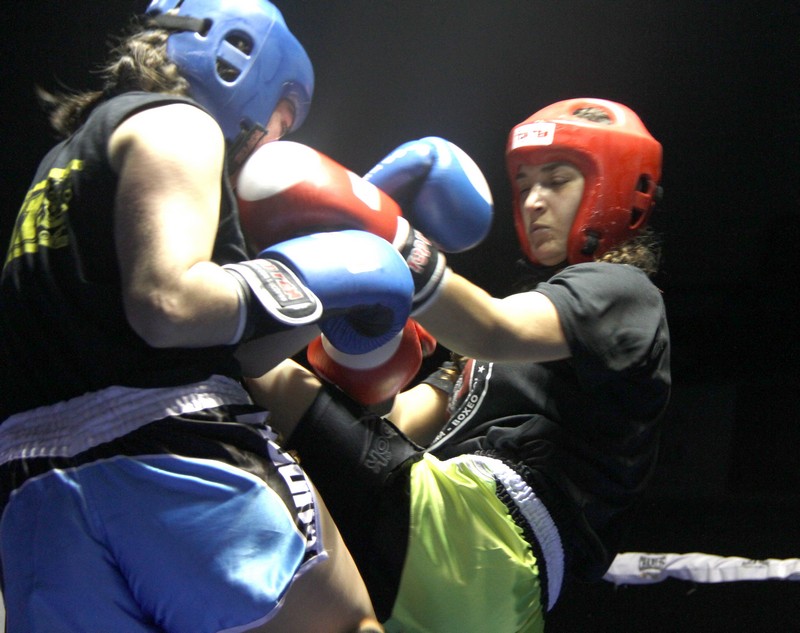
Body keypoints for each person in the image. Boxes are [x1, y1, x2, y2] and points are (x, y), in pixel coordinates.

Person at [0, 1, 411, 631]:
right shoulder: (180, 123)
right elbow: (168, 305)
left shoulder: (57, 167)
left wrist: (316, 307)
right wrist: (318, 274)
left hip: (35, 497)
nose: (270, 137)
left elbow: (222, 350)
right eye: (282, 115)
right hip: (171, 459)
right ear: (240, 63)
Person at [247, 98, 671, 632]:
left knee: (245, 374)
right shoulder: (505, 348)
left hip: (478, 534)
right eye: (524, 186)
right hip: (491, 591)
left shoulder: (623, 292)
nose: (535, 201)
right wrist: (366, 352)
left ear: (611, 187)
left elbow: (495, 327)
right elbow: (394, 418)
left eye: (557, 180)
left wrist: (391, 237)